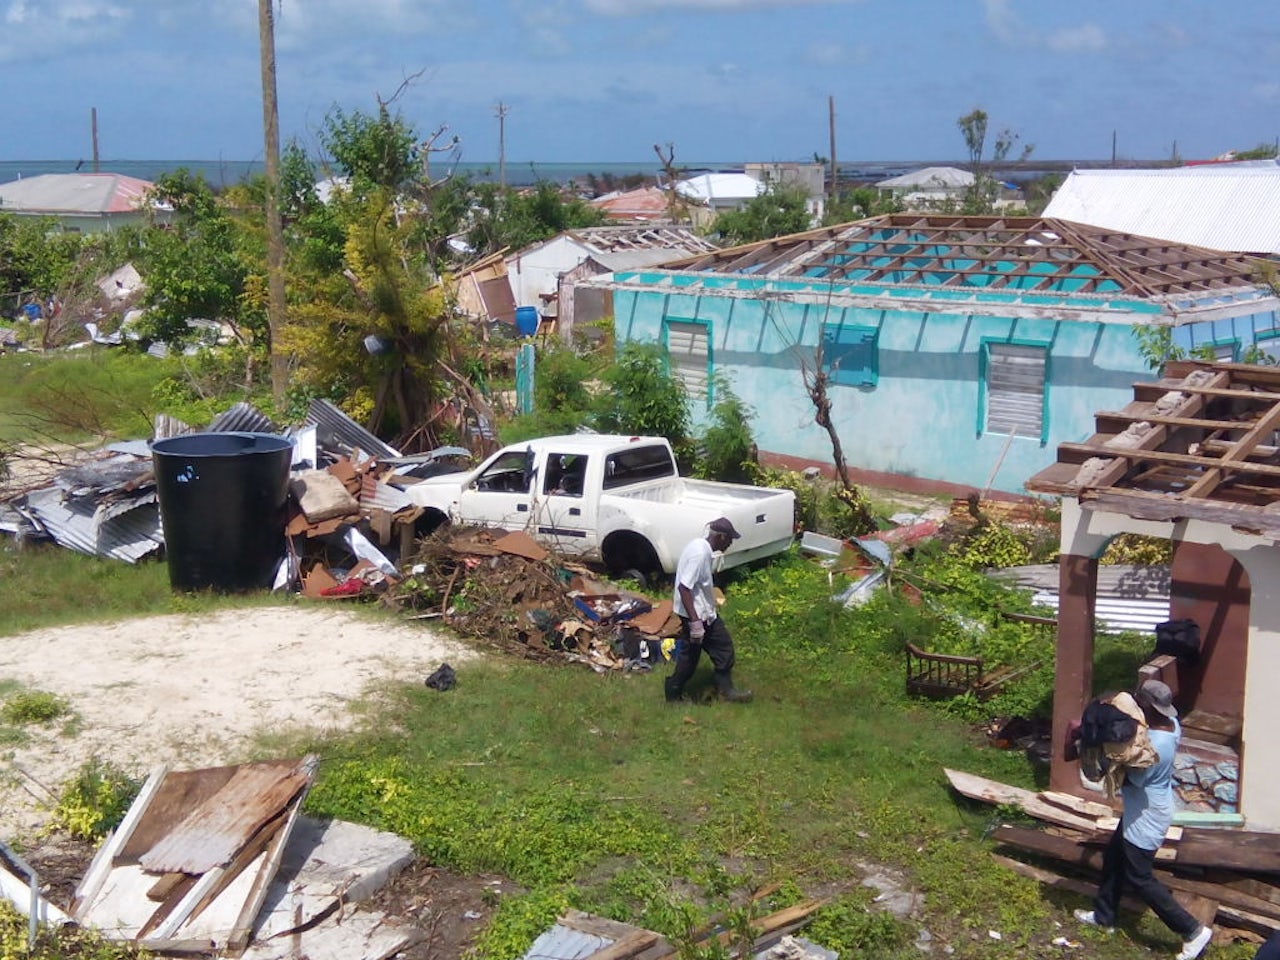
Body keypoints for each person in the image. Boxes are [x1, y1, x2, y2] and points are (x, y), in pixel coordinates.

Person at [1075, 679, 1213, 960]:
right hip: (1144, 809)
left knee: (1140, 877)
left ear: (1148, 706)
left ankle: (1193, 931)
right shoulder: (1171, 726)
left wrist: (1109, 761)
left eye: (1140, 701)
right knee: (1114, 858)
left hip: (1148, 814)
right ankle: (1104, 917)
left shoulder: (1158, 745)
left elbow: (1136, 780)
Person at [664, 517, 752, 704]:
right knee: (693, 657)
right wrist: (695, 623)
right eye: (729, 539)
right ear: (720, 536)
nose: (730, 543)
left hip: (704, 614)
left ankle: (725, 690)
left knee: (721, 648)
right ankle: (673, 693)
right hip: (696, 616)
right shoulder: (699, 554)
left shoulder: (701, 547)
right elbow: (684, 587)